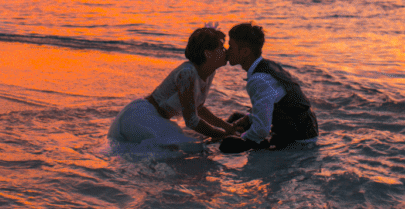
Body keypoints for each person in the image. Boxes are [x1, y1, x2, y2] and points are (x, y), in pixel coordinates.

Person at [108, 25, 240, 149]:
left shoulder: (209, 71)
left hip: (156, 118)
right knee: (192, 148)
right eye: (221, 48)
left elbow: (198, 107)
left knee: (196, 145)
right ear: (208, 53)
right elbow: (191, 121)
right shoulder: (188, 73)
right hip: (142, 117)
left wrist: (226, 127)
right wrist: (221, 134)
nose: (226, 52)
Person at [220, 22, 318, 153]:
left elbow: (261, 130)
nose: (227, 51)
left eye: (231, 47)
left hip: (297, 140)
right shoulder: (268, 66)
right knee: (237, 117)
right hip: (305, 129)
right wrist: (248, 119)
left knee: (225, 145)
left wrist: (241, 137)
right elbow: (270, 106)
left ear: (245, 52)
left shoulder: (259, 79)